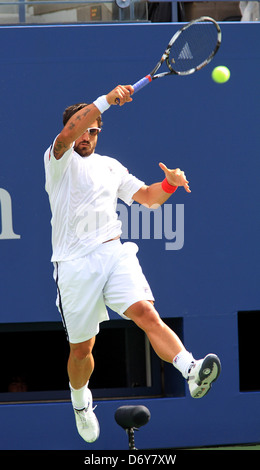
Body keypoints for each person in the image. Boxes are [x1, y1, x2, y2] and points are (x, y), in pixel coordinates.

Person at [44, 84, 221, 443]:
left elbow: (148, 198)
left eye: (93, 131)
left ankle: (190, 370)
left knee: (146, 312)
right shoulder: (57, 161)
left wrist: (169, 185)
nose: (87, 135)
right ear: (72, 129)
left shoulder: (111, 167)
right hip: (74, 266)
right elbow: (67, 134)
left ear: (98, 135)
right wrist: (106, 101)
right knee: (82, 350)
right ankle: (80, 401)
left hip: (113, 252)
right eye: (82, 128)